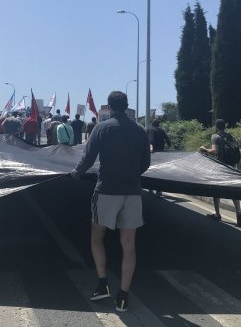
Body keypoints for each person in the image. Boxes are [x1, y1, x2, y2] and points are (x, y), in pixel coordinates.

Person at [71, 91, 150, 313]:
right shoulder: (140, 130)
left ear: (109, 106)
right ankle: (123, 297)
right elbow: (146, 162)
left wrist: (76, 173)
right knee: (129, 245)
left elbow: (88, 158)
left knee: (97, 238)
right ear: (126, 105)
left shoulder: (102, 128)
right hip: (132, 193)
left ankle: (102, 284)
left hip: (106, 191)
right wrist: (132, 174)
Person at [199, 119, 241, 227]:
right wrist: (238, 169)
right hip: (231, 167)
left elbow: (215, 151)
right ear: (225, 126)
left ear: (216, 126)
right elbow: (237, 152)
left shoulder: (215, 136)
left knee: (216, 190)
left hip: (220, 168)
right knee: (233, 190)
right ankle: (239, 213)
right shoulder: (231, 136)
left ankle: (217, 214)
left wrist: (204, 149)